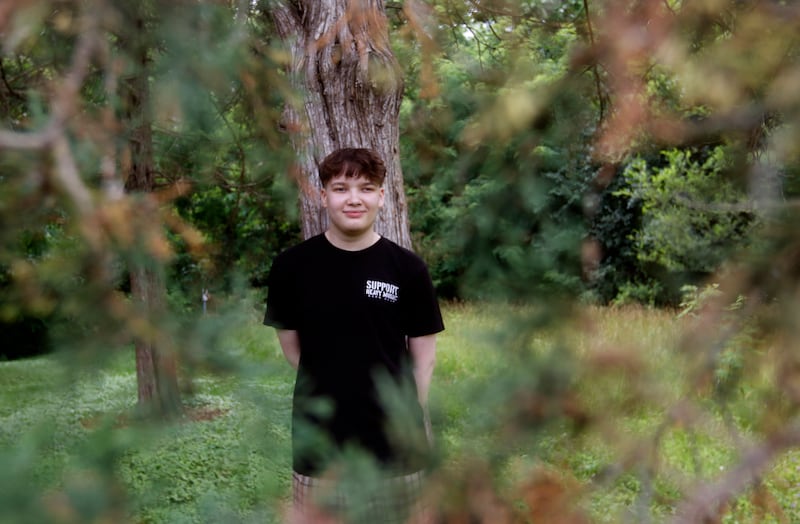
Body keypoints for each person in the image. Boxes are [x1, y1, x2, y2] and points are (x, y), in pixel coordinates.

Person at [263, 148, 445, 523]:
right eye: (341, 187)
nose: (353, 198)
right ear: (324, 195)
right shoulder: (291, 268)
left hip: (395, 445)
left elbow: (424, 355)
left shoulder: (408, 269)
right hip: (320, 443)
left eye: (365, 188)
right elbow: (293, 349)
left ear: (382, 196)